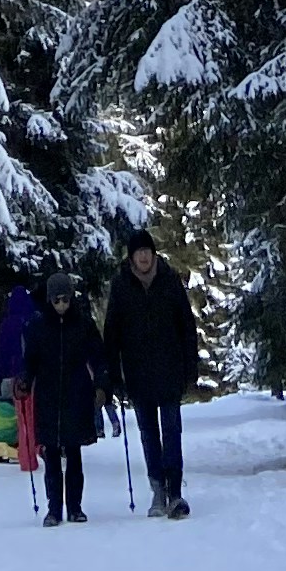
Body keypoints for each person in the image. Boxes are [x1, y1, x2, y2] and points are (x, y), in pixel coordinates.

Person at [103, 225, 201, 518]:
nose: (144, 257)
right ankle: (157, 489)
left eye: (147, 251)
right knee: (148, 433)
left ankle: (174, 491)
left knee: (172, 432)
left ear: (154, 254)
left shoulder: (170, 281)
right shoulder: (121, 287)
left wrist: (190, 367)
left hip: (170, 370)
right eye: (139, 253)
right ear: (131, 257)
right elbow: (112, 334)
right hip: (137, 374)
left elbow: (186, 326)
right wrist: (113, 376)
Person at [22, 267, 109, 527]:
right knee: (50, 455)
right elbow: (30, 362)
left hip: (76, 395)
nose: (61, 305)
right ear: (50, 300)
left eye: (66, 300)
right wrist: (25, 381)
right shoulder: (38, 326)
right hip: (48, 396)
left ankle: (75, 507)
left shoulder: (83, 324)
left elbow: (98, 356)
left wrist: (102, 385)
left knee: (74, 453)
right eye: (57, 300)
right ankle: (53, 509)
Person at [0, 274, 40, 477]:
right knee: (33, 412)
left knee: (16, 411)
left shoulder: (8, 325)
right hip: (34, 376)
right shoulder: (35, 320)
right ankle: (34, 445)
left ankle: (19, 444)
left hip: (13, 377)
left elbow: (2, 354)